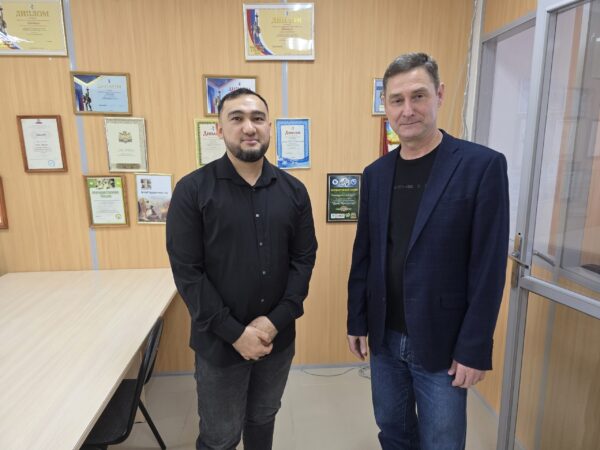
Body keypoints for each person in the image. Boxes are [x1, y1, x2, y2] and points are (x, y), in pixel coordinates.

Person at [347, 53, 509, 450]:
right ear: (385, 106)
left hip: (444, 341)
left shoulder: (480, 166)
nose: (408, 110)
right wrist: (357, 320)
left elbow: (488, 268)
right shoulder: (376, 174)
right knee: (393, 431)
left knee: (442, 441)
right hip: (385, 338)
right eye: (396, 100)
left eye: (418, 96)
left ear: (439, 95)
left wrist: (474, 347)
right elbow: (364, 253)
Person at [166, 88, 317, 450]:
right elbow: (188, 272)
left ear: (269, 126)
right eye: (237, 118)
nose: (249, 127)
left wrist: (275, 321)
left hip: (277, 340)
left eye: (257, 118)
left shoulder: (294, 191)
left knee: (263, 419)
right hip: (219, 344)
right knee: (220, 436)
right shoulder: (193, 190)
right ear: (219, 129)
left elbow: (304, 259)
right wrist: (235, 333)